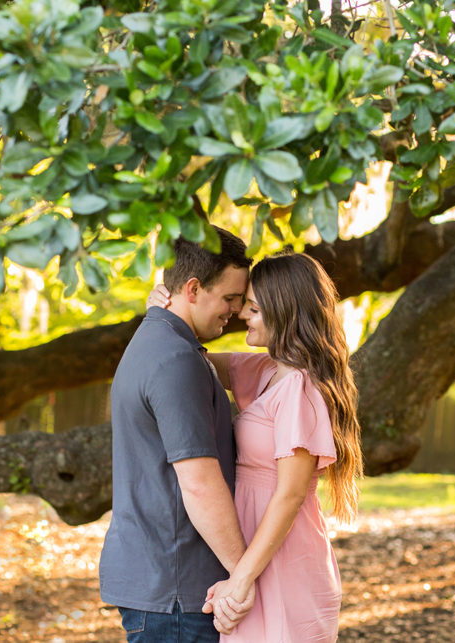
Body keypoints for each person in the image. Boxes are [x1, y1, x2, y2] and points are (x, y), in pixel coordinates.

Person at [149, 252, 363, 642]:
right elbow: (188, 361)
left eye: (254, 308)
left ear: (285, 314)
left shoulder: (299, 389)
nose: (243, 315)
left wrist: (241, 578)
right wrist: (165, 314)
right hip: (253, 553)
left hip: (282, 558)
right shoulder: (266, 372)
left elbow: (291, 494)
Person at [99, 226, 256, 642]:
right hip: (177, 590)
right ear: (191, 288)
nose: (236, 312)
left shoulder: (162, 343)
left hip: (167, 585)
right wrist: (245, 575)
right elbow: (201, 484)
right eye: (229, 299)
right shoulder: (175, 360)